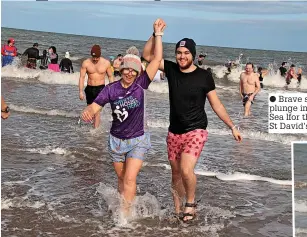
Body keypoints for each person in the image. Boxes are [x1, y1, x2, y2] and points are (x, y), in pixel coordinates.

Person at [142, 20, 242, 222]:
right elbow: (147, 56)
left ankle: (191, 202)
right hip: (174, 131)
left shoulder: (204, 76)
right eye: (179, 53)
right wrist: (155, 34)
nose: (181, 56)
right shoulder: (170, 69)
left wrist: (232, 126)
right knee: (176, 175)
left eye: (186, 53)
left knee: (187, 169)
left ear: (193, 55)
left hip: (196, 130)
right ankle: (178, 209)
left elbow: (217, 104)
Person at [81, 18, 165, 216]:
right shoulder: (111, 89)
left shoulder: (141, 84)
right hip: (116, 141)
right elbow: (96, 105)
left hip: (138, 139)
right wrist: (88, 112)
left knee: (129, 179)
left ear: (137, 72)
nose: (129, 72)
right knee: (121, 180)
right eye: (126, 68)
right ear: (121, 69)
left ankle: (125, 217)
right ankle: (126, 207)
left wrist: (158, 35)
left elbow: (156, 59)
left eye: (133, 69)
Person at [79, 44, 114, 128]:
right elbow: (82, 77)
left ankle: (95, 130)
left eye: (97, 57)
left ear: (100, 55)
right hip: (89, 89)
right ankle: (93, 126)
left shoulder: (106, 63)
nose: (95, 59)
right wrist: (80, 91)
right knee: (90, 110)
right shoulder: (86, 63)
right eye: (93, 57)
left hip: (101, 89)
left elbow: (110, 76)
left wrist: (112, 89)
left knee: (96, 111)